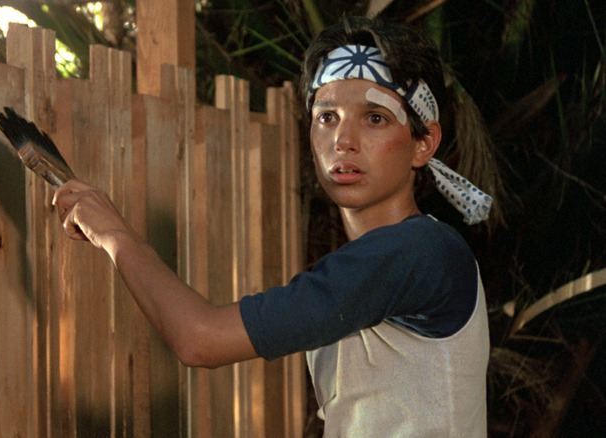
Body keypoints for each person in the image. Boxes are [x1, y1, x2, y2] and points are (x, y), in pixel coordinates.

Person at [53, 15, 491, 438]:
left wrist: (113, 233)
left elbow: (198, 339)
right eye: (327, 116)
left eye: (375, 118)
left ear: (423, 143)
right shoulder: (388, 257)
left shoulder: (417, 253)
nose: (343, 141)